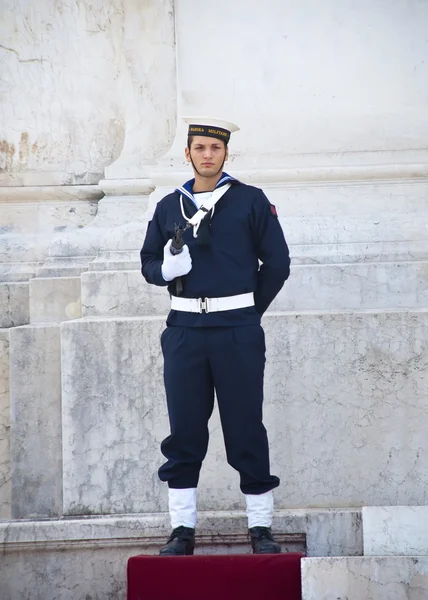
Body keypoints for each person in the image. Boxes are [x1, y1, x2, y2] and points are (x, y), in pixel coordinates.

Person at [140, 117, 290, 556]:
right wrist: (164, 272)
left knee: (245, 428)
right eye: (200, 148)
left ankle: (260, 528)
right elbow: (148, 260)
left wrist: (248, 311)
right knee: (185, 431)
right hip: (185, 332)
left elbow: (277, 263)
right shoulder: (170, 205)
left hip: (237, 332)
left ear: (226, 154)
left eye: (215, 149)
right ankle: (182, 530)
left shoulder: (250, 201)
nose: (208, 155)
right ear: (187, 154)